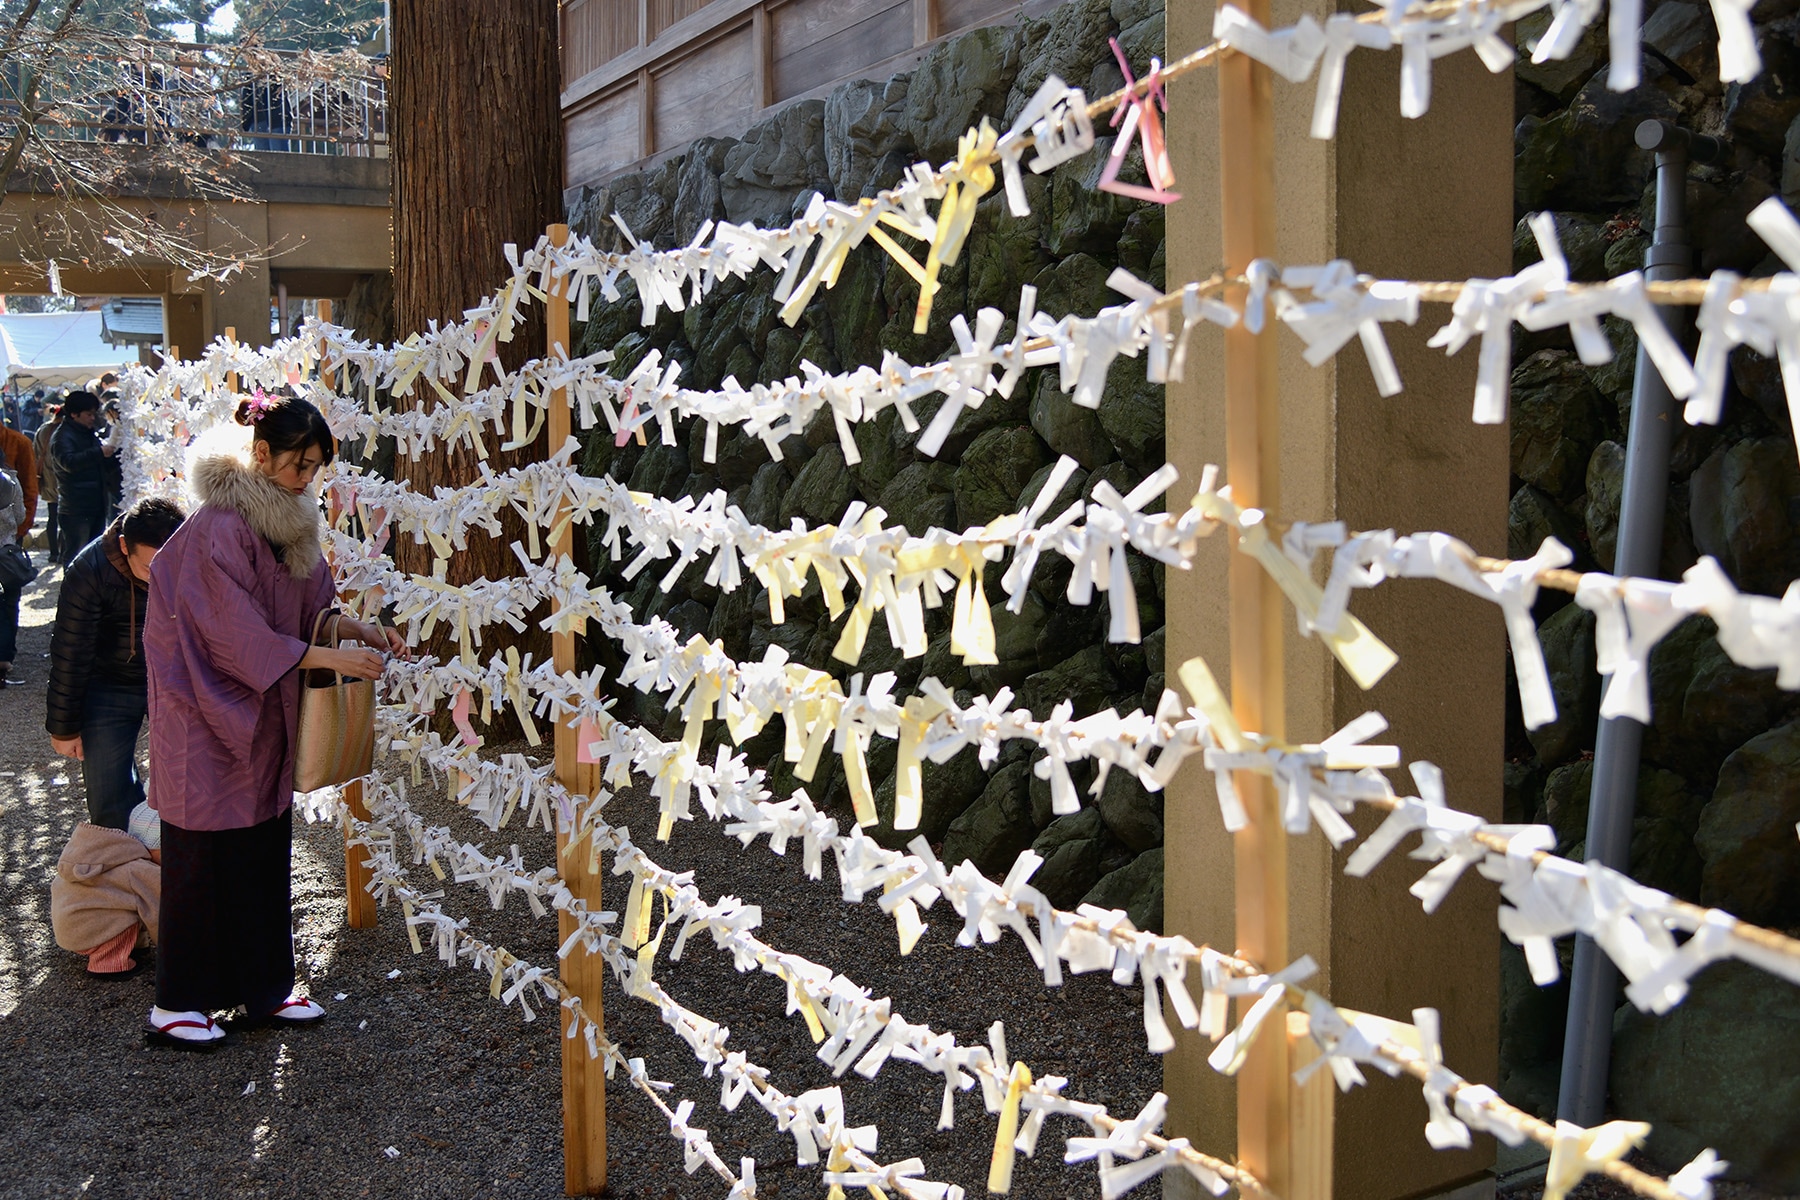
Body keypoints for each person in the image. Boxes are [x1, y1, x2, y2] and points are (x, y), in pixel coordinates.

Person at [143, 395, 406, 1050]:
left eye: (314, 467)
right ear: (261, 455)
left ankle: (264, 989)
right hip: (202, 720)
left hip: (256, 716)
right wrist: (325, 652)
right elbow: (234, 637)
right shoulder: (215, 528)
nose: (306, 478)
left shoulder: (284, 520)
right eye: (298, 465)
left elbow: (310, 607)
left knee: (261, 856)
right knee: (200, 867)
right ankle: (178, 1004)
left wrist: (357, 627)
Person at [47, 497, 187, 829]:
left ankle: (179, 866)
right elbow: (71, 651)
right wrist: (64, 727)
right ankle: (122, 869)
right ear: (125, 546)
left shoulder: (195, 554)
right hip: (110, 680)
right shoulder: (88, 570)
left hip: (173, 678)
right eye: (149, 569)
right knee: (107, 788)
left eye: (169, 567)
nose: (160, 578)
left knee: (191, 780)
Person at [51, 800, 162, 978]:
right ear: (154, 847)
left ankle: (131, 946)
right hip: (94, 932)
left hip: (70, 930)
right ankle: (108, 963)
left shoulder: (99, 857)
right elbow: (159, 906)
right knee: (123, 911)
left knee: (120, 902)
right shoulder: (138, 869)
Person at [52, 390, 114, 566]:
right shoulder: (62, 436)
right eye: (88, 414)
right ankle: (72, 592)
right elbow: (68, 462)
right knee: (75, 557)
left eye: (94, 414)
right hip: (75, 508)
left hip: (95, 504)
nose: (92, 418)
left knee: (94, 554)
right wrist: (99, 452)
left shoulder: (88, 433)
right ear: (74, 414)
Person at [0, 419, 37, 687]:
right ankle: (4, 657)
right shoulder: (10, 482)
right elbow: (21, 511)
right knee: (9, 601)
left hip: (10, 543)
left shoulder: (20, 443)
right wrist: (18, 530)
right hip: (7, 547)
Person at [34, 402, 61, 564]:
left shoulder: (43, 429)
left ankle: (53, 552)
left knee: (52, 516)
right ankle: (62, 550)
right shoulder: (65, 430)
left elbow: (35, 452)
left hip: (47, 479)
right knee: (64, 518)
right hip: (62, 479)